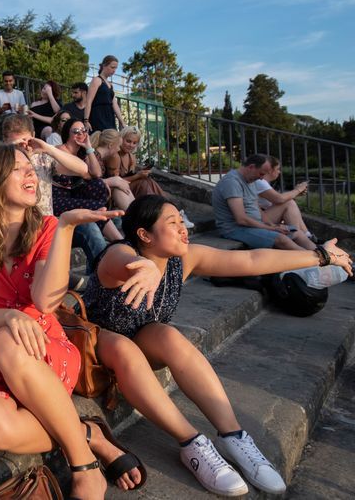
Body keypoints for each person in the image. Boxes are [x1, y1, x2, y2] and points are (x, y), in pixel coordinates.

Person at [84, 194, 352, 495]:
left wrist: (319, 256)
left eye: (181, 220)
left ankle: (233, 436)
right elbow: (123, 260)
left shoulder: (182, 259)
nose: (183, 228)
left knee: (170, 336)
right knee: (126, 347)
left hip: (143, 335)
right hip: (98, 340)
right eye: (172, 223)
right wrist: (142, 266)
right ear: (144, 235)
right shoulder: (118, 253)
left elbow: (251, 260)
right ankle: (192, 444)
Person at [0, 144, 144, 500]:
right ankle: (88, 434)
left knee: (5, 339)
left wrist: (67, 227)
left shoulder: (48, 226)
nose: (30, 174)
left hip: (42, 348)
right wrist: (7, 316)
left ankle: (84, 466)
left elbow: (45, 301)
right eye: (18, 169)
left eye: (30, 168)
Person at [50, 118, 124, 262]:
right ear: (67, 134)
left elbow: (97, 174)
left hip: (73, 195)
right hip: (57, 199)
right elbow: (85, 172)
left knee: (99, 185)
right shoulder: (59, 151)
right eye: (76, 131)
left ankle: (107, 231)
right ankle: (119, 241)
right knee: (95, 206)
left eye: (84, 130)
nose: (81, 133)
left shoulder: (83, 153)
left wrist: (88, 146)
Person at [212, 154, 316, 250]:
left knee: (296, 233)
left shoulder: (251, 179)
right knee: (282, 239)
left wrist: (273, 225)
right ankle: (316, 261)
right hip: (235, 229)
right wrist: (270, 229)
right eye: (261, 174)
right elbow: (241, 219)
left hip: (252, 225)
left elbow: (256, 207)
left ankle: (323, 254)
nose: (262, 178)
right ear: (251, 167)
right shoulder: (232, 182)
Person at [254, 155, 315, 241]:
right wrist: (298, 190)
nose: (279, 172)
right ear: (270, 170)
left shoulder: (263, 182)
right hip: (258, 219)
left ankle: (307, 236)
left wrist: (296, 194)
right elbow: (279, 199)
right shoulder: (260, 182)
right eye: (278, 169)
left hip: (262, 216)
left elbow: (277, 200)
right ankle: (300, 239)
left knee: (290, 203)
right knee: (289, 203)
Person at [93, 129, 134, 211]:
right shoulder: (93, 157)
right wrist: (112, 182)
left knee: (118, 181)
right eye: (118, 146)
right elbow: (88, 181)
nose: (119, 149)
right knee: (117, 184)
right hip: (89, 199)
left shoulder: (96, 156)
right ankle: (135, 214)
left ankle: (135, 213)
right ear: (110, 145)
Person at [85, 55, 125, 132]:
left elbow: (115, 105)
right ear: (104, 66)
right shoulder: (96, 80)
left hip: (109, 117)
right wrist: (86, 120)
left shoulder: (110, 85)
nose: (114, 70)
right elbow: (89, 101)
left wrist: (122, 123)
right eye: (112, 67)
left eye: (115, 68)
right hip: (98, 116)